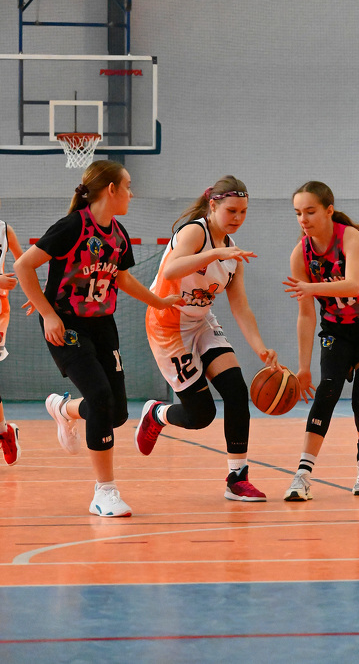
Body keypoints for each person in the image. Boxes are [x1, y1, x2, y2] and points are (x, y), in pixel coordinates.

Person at [14, 160, 183, 517]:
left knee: (116, 412)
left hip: (103, 325)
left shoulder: (118, 234)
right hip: (67, 324)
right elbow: (23, 265)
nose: (132, 193)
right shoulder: (72, 226)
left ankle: (64, 409)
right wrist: (47, 313)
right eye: (128, 186)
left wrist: (159, 301)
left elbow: (122, 278)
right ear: (111, 189)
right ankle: (104, 492)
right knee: (100, 397)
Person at [135, 175, 279, 501]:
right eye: (232, 211)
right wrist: (214, 255)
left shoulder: (232, 254)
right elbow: (171, 270)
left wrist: (260, 348)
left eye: (243, 212)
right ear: (213, 206)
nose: (238, 218)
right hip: (168, 325)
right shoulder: (195, 232)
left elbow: (240, 306)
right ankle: (156, 414)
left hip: (201, 322)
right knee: (201, 416)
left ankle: (237, 478)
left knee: (236, 390)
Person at [282, 181, 359, 501]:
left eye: (310, 211)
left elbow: (351, 285)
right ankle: (302, 475)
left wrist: (311, 288)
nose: (303, 219)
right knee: (326, 391)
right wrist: (303, 367)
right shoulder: (301, 254)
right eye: (298, 213)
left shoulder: (350, 237)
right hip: (336, 329)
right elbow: (306, 315)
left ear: (328, 210)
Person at [0, 217, 23, 465]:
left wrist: (36, 295)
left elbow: (24, 262)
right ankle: (4, 431)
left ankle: (3, 431)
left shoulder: (5, 230)